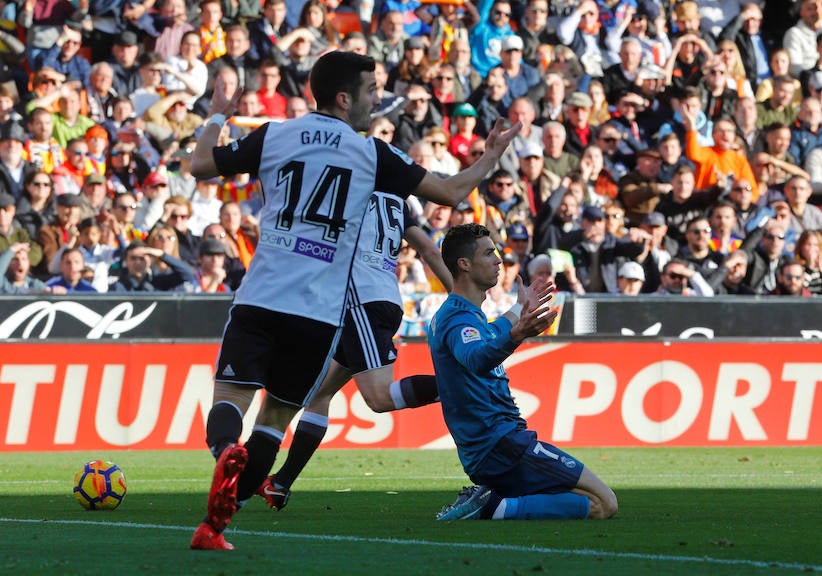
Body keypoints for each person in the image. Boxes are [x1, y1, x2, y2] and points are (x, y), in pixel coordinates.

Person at [187, 51, 521, 550]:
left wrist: (218, 114)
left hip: (260, 297)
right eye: (370, 92)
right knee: (276, 420)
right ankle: (216, 527)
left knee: (230, 402)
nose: (376, 102)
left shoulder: (275, 134)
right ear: (344, 98)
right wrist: (491, 154)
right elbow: (451, 193)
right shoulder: (372, 154)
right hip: (318, 314)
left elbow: (200, 164)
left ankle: (222, 454)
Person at [259, 198, 454, 509]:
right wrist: (458, 299)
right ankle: (281, 483)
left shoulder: (347, 186)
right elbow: (430, 251)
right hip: (385, 300)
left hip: (358, 301)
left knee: (379, 399)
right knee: (319, 393)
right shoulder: (395, 200)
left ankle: (466, 386)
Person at [428, 223, 617, 521]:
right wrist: (516, 335)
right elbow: (476, 358)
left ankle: (495, 502)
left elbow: (490, 334)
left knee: (579, 498)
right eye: (488, 253)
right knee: (603, 503)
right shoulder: (457, 319)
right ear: (464, 264)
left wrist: (519, 308)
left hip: (494, 449)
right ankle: (492, 506)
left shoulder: (462, 315)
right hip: (501, 446)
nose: (498, 260)